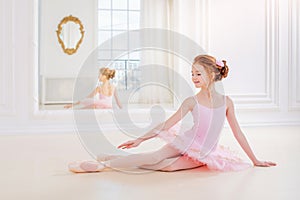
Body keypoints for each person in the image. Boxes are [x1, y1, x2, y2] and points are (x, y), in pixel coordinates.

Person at [68, 55, 276, 173]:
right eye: (192, 73)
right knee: (154, 156)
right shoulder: (191, 101)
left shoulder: (227, 103)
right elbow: (167, 124)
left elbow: (238, 133)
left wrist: (255, 159)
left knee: (166, 167)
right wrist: (140, 139)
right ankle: (103, 164)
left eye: (198, 73)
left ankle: (116, 158)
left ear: (212, 74)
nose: (193, 77)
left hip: (203, 151)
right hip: (185, 141)